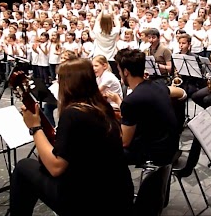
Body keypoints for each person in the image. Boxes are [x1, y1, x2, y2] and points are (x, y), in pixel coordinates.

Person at [10, 58, 134, 216]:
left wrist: (35, 127)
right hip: (119, 195)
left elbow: (56, 167)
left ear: (67, 84)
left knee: (23, 168)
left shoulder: (73, 114)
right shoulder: (103, 107)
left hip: (88, 202)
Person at [114, 48, 179, 166]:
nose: (119, 74)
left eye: (119, 70)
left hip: (156, 153)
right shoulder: (158, 85)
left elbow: (125, 142)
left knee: (104, 150)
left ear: (126, 72)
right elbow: (178, 92)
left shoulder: (131, 101)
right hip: (172, 145)